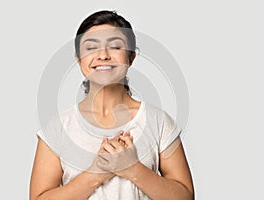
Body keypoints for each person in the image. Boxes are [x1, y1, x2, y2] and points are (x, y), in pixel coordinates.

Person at [30, 10, 194, 200]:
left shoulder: (158, 122)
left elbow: (185, 196)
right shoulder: (57, 127)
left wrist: (132, 168)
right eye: (91, 48)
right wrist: (97, 172)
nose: (103, 56)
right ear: (79, 59)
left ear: (131, 57)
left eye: (115, 46)